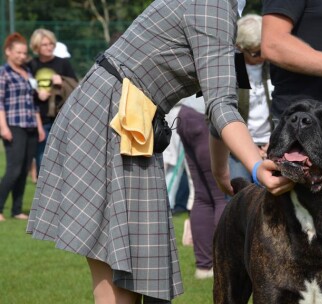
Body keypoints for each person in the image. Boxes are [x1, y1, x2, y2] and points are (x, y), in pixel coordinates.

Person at [26, 1, 292, 303]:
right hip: (114, 118)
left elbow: (219, 100)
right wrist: (257, 166)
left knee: (139, 275)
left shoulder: (225, 11)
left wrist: (221, 173)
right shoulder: (213, 6)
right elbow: (221, 105)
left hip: (126, 117)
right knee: (124, 278)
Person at [177, 95, 227, 280]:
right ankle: (224, 264)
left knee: (202, 195)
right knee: (222, 195)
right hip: (206, 117)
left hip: (187, 113)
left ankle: (204, 267)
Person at [0, 33, 45, 222]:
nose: (21, 56)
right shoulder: (4, 73)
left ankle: (17, 210)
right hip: (13, 125)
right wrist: (3, 127)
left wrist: (40, 126)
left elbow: (33, 102)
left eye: (24, 53)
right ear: (8, 52)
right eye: (18, 52)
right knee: (14, 169)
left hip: (31, 125)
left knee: (26, 167)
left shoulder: (28, 71)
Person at [229, 14, 273, 182]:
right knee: (241, 195)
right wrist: (251, 146)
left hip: (272, 146)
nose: (262, 56)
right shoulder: (232, 68)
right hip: (240, 148)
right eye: (256, 53)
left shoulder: (273, 65)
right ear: (240, 47)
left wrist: (275, 140)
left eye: (265, 49)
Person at [28, 28, 77, 177]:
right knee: (42, 157)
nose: (49, 47)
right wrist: (37, 93)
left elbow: (76, 87)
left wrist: (61, 83)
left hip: (60, 116)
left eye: (51, 43)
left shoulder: (62, 63)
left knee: (63, 156)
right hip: (40, 118)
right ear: (36, 47)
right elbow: (26, 90)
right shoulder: (31, 65)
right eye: (44, 44)